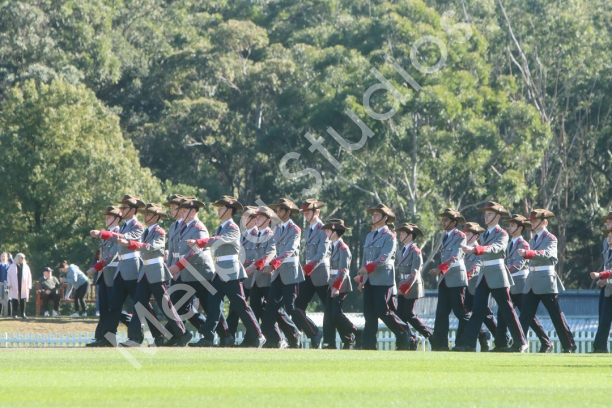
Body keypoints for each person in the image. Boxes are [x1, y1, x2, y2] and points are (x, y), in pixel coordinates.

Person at [186, 196, 265, 348]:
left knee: (240, 305)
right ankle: (208, 337)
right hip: (220, 271)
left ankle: (258, 334)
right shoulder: (221, 227)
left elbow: (219, 240)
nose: (218, 210)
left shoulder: (233, 228)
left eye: (221, 208)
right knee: (213, 306)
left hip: (231, 272)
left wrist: (199, 242)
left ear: (229, 210)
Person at [454, 201, 527, 353]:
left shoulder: (502, 234)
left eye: (489, 214)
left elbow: (495, 248)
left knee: (507, 308)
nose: (486, 217)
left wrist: (475, 249)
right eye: (486, 214)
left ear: (498, 216)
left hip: (497, 272)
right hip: (484, 273)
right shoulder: (486, 234)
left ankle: (520, 342)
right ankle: (469, 343)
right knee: (478, 309)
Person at [117, 203, 191, 347]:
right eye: (145, 214)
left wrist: (131, 244)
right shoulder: (145, 232)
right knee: (138, 304)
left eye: (149, 214)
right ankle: (135, 338)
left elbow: (150, 247)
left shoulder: (160, 232)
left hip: (156, 271)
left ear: (156, 217)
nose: (146, 217)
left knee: (165, 306)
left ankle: (183, 333)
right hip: (145, 271)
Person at [168, 197, 234, 347]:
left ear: (193, 212)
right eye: (181, 210)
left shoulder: (199, 228)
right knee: (174, 304)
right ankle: (182, 334)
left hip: (201, 273)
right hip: (185, 273)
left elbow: (197, 250)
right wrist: (173, 267)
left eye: (185, 210)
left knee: (211, 308)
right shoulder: (181, 227)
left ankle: (226, 336)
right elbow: (176, 251)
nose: (181, 212)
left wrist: (178, 265)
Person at [518, 209, 576, 353]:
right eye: (531, 221)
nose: (532, 223)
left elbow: (547, 254)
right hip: (532, 280)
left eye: (535, 220)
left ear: (544, 222)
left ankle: (569, 344)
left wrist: (529, 253)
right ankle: (519, 343)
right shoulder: (533, 239)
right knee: (525, 315)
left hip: (545, 279)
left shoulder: (551, 238)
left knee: (555, 314)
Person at [358, 203, 412, 351]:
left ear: (385, 217)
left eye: (377, 215)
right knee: (369, 314)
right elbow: (365, 258)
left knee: (383, 310)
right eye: (373, 214)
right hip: (369, 279)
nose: (373, 217)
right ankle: (368, 345)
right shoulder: (369, 236)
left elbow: (384, 257)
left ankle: (405, 331)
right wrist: (362, 278)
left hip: (383, 279)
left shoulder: (390, 236)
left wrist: (368, 268)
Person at [247, 206, 301, 348]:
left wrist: (267, 265)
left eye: (260, 217)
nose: (257, 219)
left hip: (277, 273)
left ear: (268, 220)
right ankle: (272, 339)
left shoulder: (283, 231)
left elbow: (279, 252)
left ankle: (291, 334)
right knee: (267, 309)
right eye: (256, 217)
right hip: (267, 275)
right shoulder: (270, 231)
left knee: (285, 308)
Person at [499, 214, 552, 353]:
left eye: (513, 225)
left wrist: (504, 271)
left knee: (527, 317)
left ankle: (544, 342)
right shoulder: (511, 244)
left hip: (521, 284)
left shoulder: (523, 244)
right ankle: (504, 342)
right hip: (512, 283)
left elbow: (519, 264)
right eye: (510, 225)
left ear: (520, 228)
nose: (510, 227)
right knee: (505, 313)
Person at [260, 198, 307, 349]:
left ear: (288, 212)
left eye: (281, 210)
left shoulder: (295, 229)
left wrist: (273, 265)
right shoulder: (277, 229)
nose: (278, 213)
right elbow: (274, 249)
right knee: (271, 306)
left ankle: (311, 332)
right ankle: (274, 338)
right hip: (278, 272)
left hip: (290, 272)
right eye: (278, 210)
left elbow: (289, 251)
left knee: (291, 306)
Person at [86, 206, 132, 347]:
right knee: (105, 307)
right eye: (106, 217)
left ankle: (131, 325)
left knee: (113, 307)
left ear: (117, 219)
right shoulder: (107, 234)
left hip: (113, 273)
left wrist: (97, 267)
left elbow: (113, 255)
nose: (106, 220)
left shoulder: (118, 233)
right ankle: (103, 337)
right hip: (105, 273)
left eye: (109, 217)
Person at [429, 208, 470, 351]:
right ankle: (441, 345)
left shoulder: (460, 236)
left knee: (460, 311)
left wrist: (440, 268)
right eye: (442, 220)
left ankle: (475, 336)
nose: (443, 222)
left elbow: (455, 256)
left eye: (446, 220)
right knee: (441, 313)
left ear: (454, 222)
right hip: (445, 278)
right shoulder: (445, 236)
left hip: (456, 277)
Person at [297, 199, 331, 348]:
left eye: (308, 212)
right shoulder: (308, 230)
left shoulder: (324, 229)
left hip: (321, 273)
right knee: (297, 306)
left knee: (330, 309)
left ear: (316, 212)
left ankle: (348, 336)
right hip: (309, 273)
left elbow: (322, 253)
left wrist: (307, 267)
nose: (305, 215)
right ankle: (314, 333)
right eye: (304, 213)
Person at [321, 219, 360, 349]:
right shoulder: (332, 247)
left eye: (328, 230)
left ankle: (356, 333)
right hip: (332, 283)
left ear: (335, 232)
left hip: (340, 285)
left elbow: (343, 270)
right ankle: (330, 343)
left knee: (336, 314)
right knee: (328, 316)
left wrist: (336, 287)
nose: (326, 232)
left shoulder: (343, 249)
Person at [394, 223, 433, 349]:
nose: (400, 235)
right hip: (402, 284)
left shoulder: (415, 251)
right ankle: (409, 339)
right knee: (400, 315)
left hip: (411, 286)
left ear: (410, 236)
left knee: (408, 314)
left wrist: (404, 288)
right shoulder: (402, 250)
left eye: (403, 233)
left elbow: (414, 272)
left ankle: (429, 335)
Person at [589, 227, 612, 353]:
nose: (609, 238)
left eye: (611, 236)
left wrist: (601, 275)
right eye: (608, 236)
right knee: (604, 318)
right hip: (609, 289)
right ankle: (600, 347)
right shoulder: (608, 251)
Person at [7, 253, 32, 319]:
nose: (23, 259)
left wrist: (29, 285)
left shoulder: (26, 266)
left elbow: (29, 276)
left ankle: (23, 313)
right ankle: (15, 313)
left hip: (23, 284)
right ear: (18, 258)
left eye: (24, 258)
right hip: (14, 284)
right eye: (22, 258)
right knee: (15, 299)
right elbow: (8, 275)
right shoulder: (12, 266)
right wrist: (9, 284)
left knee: (23, 299)